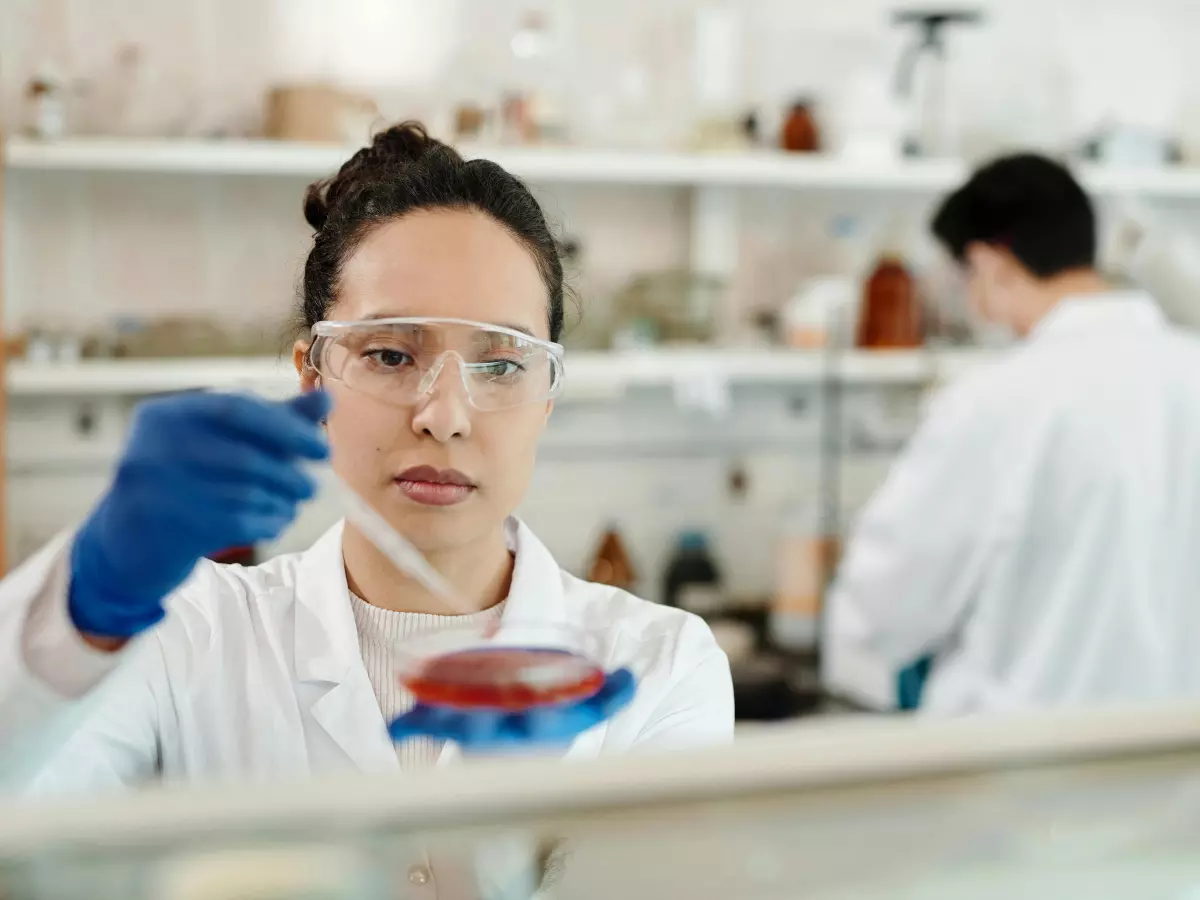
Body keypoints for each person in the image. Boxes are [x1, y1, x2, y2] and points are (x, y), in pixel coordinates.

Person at [0, 123, 733, 794]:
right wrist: (87, 602)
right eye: (389, 354)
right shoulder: (187, 635)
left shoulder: (659, 665)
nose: (442, 416)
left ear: (548, 397)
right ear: (313, 376)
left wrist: (512, 822)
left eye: (502, 365)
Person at [823, 153, 1200, 715]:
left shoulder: (997, 402)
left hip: (1024, 771)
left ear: (989, 261)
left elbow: (885, 605)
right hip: (1179, 766)